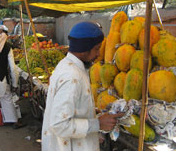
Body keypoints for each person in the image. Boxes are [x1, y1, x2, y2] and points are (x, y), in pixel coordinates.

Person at [42, 22, 124, 151]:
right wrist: (98, 123)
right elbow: (59, 124)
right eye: (97, 48)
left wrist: (89, 110)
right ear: (85, 48)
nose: (98, 54)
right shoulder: (72, 76)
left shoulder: (68, 65)